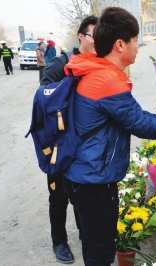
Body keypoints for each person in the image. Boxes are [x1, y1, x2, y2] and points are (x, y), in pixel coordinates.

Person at [61, 7, 156, 265]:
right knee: (102, 252)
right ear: (120, 44)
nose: (138, 46)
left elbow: (132, 114)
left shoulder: (98, 71)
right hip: (93, 181)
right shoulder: (106, 80)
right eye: (136, 40)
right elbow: (140, 124)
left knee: (94, 245)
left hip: (84, 176)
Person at [40, 15, 99, 264]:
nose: (99, 41)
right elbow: (43, 102)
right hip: (59, 145)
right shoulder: (60, 64)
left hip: (85, 145)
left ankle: (84, 232)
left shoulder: (100, 65)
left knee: (81, 191)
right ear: (82, 37)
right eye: (95, 36)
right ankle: (59, 241)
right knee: (59, 196)